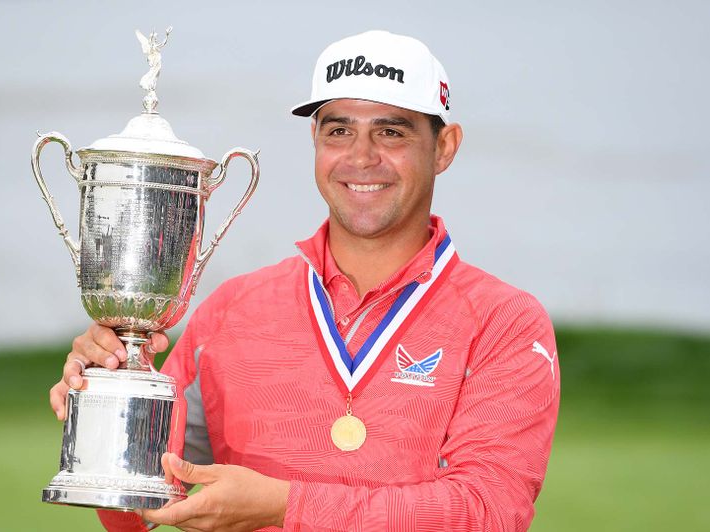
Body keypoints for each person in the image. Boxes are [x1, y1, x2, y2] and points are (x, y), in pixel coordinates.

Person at [49, 30, 560, 532]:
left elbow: (490, 512)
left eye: (391, 132)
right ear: (315, 139)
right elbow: (136, 511)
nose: (361, 157)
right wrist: (107, 410)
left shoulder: (504, 321)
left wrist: (285, 507)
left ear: (444, 147)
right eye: (339, 131)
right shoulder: (232, 309)